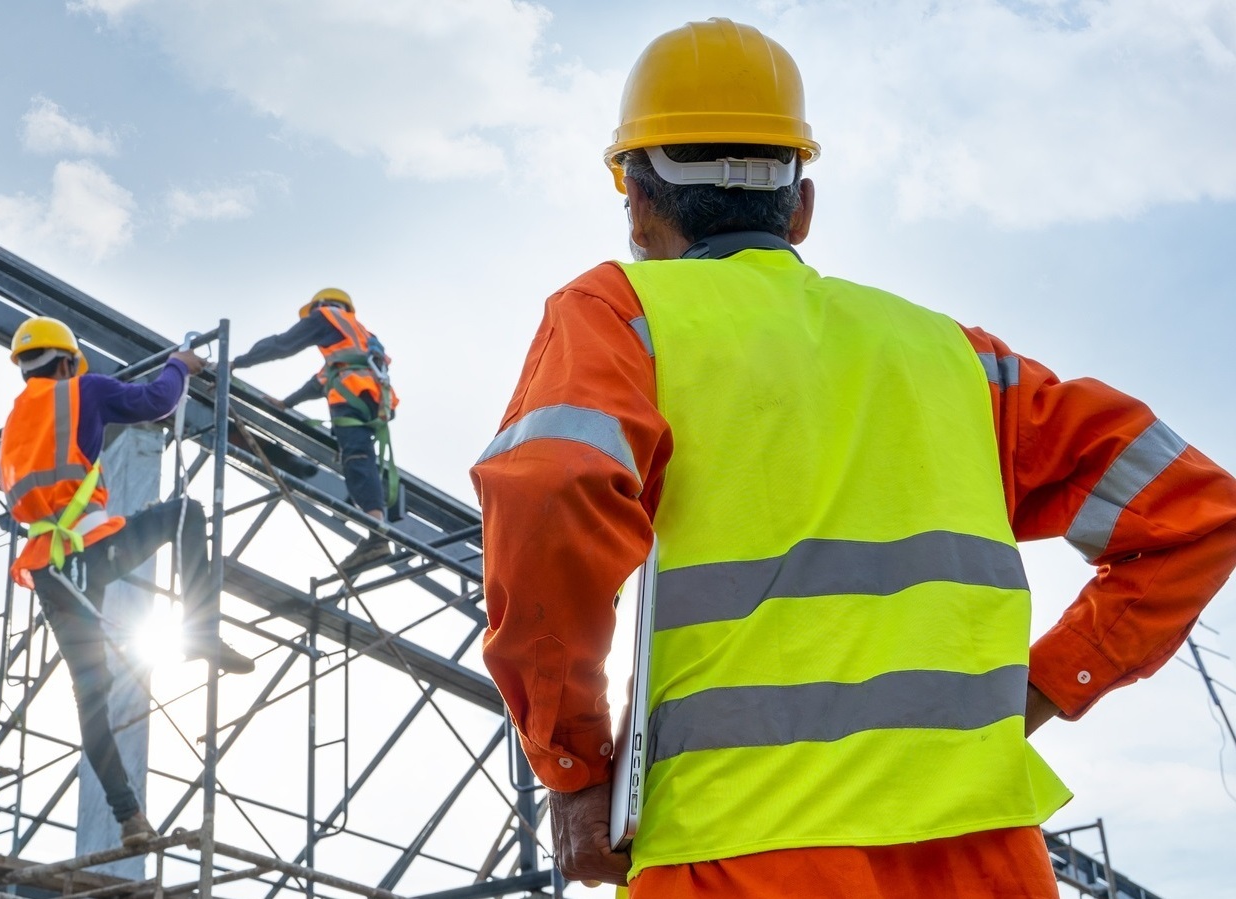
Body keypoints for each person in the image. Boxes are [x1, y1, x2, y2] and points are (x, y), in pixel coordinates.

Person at [470, 19, 1236, 899]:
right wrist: (1048, 685)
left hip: (739, 852)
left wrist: (572, 764)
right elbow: (1196, 509)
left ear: (637, 203)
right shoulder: (958, 358)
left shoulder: (620, 314)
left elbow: (552, 489)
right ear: (801, 205)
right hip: (983, 857)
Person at [0, 316, 255, 846]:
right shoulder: (82, 390)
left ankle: (129, 819)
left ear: (25, 367)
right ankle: (200, 631)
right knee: (186, 513)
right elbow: (156, 403)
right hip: (91, 545)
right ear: (67, 361)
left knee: (89, 695)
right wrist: (179, 366)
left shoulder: (15, 422)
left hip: (49, 568)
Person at [232, 288, 400, 570]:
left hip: (353, 397)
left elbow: (282, 344)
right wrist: (286, 403)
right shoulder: (360, 337)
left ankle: (376, 532)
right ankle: (375, 530)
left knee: (357, 458)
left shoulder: (325, 316)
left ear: (321, 305)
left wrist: (237, 362)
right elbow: (321, 380)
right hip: (372, 399)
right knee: (359, 455)